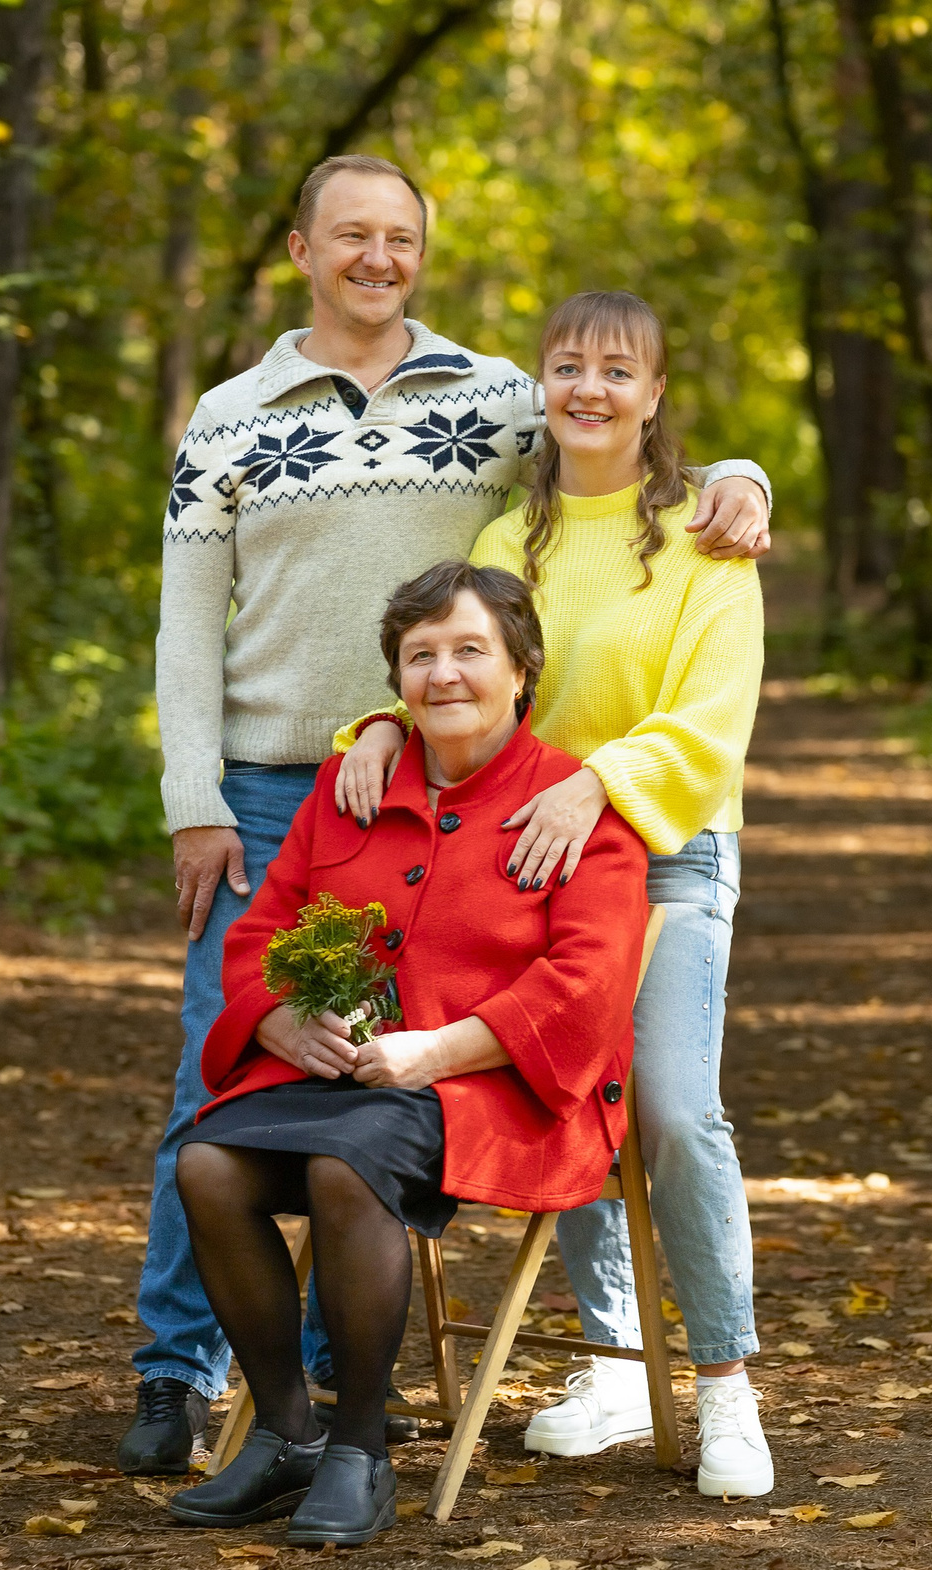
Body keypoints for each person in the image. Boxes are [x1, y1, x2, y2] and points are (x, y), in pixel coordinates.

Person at [123, 152, 772, 1475]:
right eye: (349, 234)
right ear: (299, 248)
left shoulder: (503, 404)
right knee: (238, 1066)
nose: (378, 255)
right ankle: (183, 1374)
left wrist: (746, 473)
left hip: (542, 810)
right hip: (332, 789)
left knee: (570, 1082)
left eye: (401, 235)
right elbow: (219, 621)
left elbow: (633, 444)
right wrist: (230, 785)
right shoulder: (251, 418)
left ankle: (367, 1370)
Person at [331, 291, 772, 1498]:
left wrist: (602, 786)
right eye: (567, 366)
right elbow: (464, 659)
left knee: (676, 1110)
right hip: (525, 850)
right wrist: (378, 721)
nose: (588, 389)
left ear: (654, 393)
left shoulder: (706, 534)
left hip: (667, 850)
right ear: (542, 384)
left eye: (617, 370)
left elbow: (711, 717)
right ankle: (621, 1361)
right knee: (559, 1076)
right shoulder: (503, 533)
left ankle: (725, 1384)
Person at [166, 560, 649, 1545]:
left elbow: (586, 984)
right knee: (208, 1166)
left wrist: (437, 1052)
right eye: (420, 656)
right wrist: (274, 1022)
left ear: (522, 669)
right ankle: (287, 1434)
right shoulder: (357, 787)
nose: (443, 675)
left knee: (347, 1172)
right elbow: (261, 930)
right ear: (397, 680)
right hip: (342, 1073)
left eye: (470, 650)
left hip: (499, 1086)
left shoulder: (573, 805)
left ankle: (359, 1451)